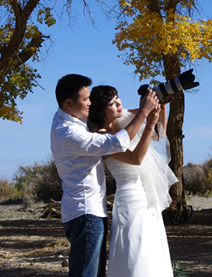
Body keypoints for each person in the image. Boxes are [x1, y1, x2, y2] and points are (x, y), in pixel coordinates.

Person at [51, 74, 159, 277]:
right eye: (85, 100)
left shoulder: (70, 118)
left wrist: (157, 100)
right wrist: (144, 112)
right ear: (68, 102)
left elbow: (120, 115)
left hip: (87, 210)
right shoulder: (69, 132)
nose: (90, 104)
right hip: (85, 212)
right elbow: (116, 143)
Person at [88, 85, 178, 277]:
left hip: (148, 195)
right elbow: (136, 159)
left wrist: (161, 108)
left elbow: (159, 134)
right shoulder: (101, 137)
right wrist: (147, 120)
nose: (119, 103)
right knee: (135, 249)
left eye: (117, 98)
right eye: (112, 103)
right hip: (131, 198)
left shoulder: (127, 118)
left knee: (152, 251)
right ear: (100, 111)